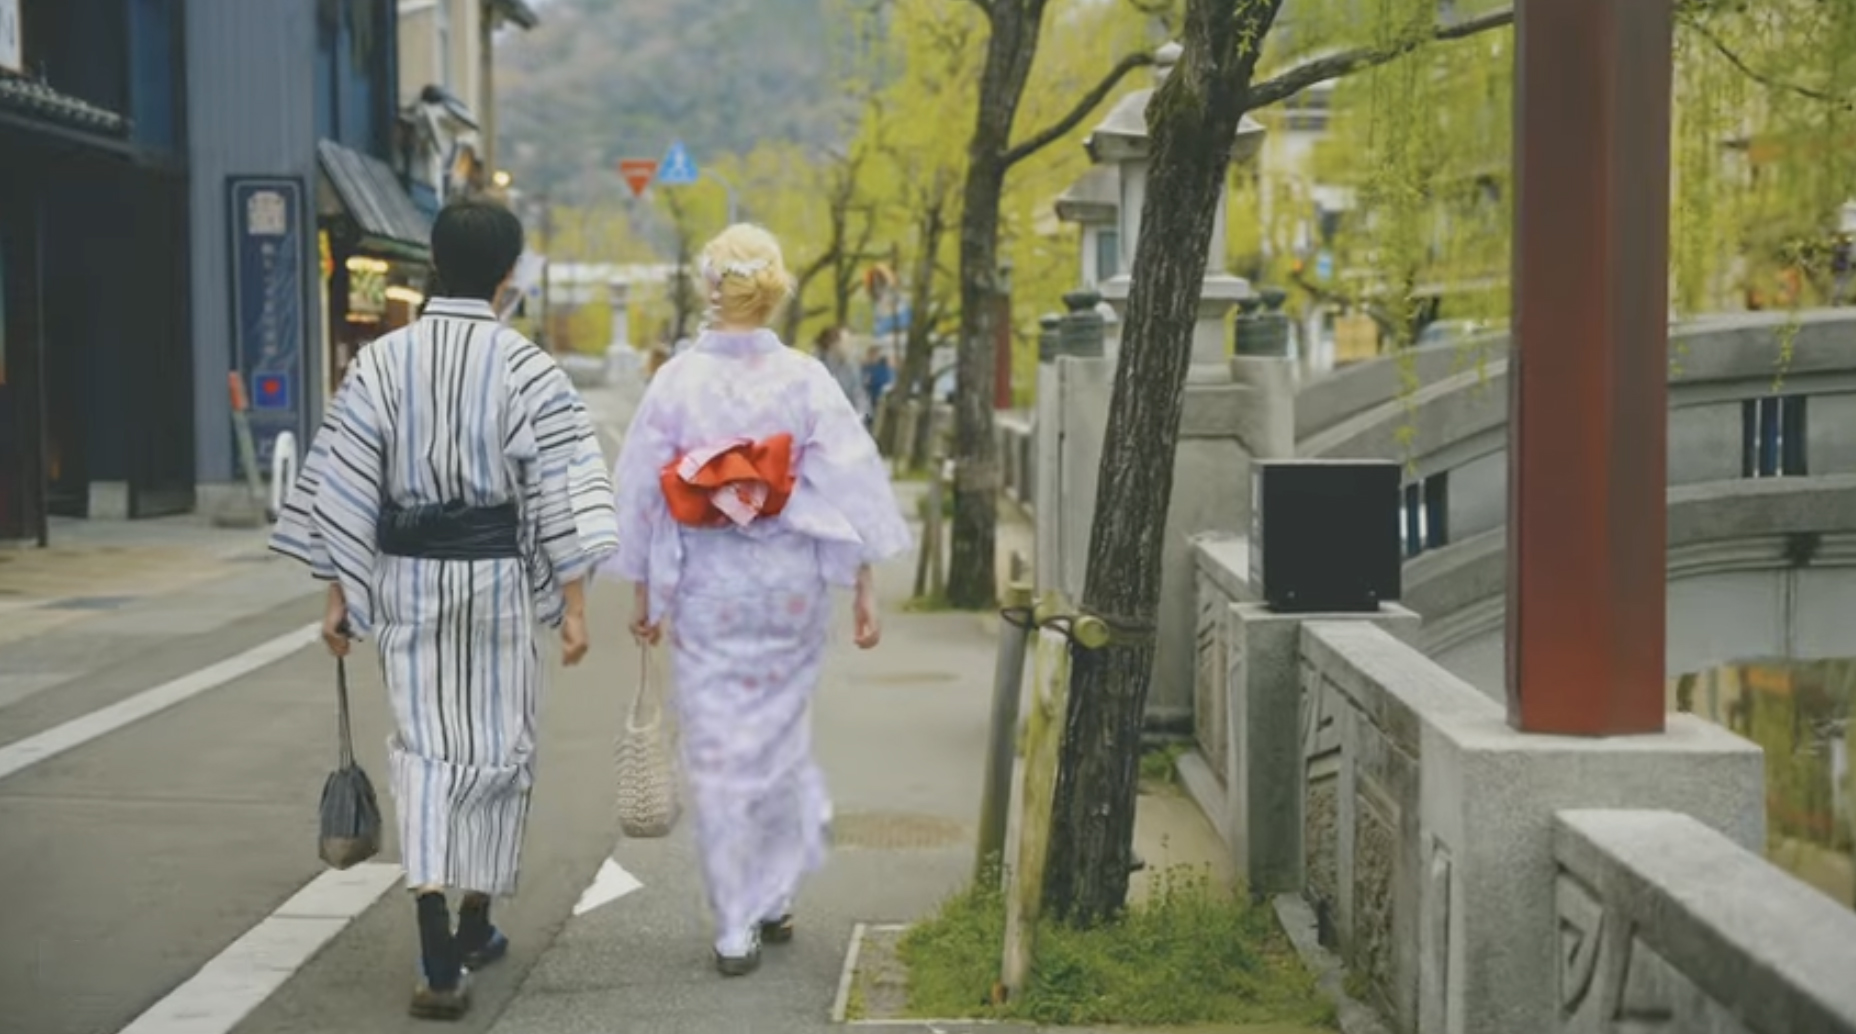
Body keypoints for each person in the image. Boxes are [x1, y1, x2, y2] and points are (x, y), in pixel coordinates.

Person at [269, 199, 619, 1020]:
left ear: (432, 261)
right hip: (493, 580)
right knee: (499, 748)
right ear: (508, 276)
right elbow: (564, 486)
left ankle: (438, 953)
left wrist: (339, 594)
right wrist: (572, 606)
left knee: (425, 751)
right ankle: (473, 920)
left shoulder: (382, 364)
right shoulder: (529, 368)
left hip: (407, 581)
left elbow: (347, 486)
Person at [607, 223, 912, 977]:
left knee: (719, 747)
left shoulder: (676, 381)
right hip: (787, 584)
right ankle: (772, 893)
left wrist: (645, 587)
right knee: (777, 738)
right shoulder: (804, 378)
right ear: (770, 290)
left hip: (708, 582)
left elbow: (645, 488)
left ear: (715, 289)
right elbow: (850, 478)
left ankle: (735, 919)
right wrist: (864, 583)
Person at [815, 326, 870, 421]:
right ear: (833, 344)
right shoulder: (816, 365)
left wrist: (860, 415)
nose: (852, 347)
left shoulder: (851, 368)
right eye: (848, 343)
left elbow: (859, 394)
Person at [861, 347, 894, 431]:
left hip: (877, 399)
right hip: (865, 399)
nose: (872, 357)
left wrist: (871, 382)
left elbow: (885, 382)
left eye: (874, 355)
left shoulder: (883, 369)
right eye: (870, 355)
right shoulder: (865, 367)